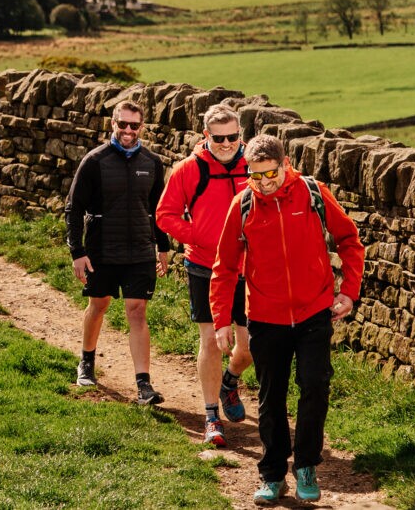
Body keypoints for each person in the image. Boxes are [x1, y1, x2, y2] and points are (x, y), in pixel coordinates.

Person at [210, 134, 364, 504]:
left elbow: (349, 240)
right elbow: (225, 266)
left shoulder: (312, 194)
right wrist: (220, 320)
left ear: (286, 164)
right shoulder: (242, 205)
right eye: (256, 175)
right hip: (265, 316)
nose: (264, 183)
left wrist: (348, 290)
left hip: (314, 312)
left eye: (271, 174)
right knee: (271, 397)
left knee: (314, 386)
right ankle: (272, 474)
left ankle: (307, 466)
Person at [156, 104, 253, 448]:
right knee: (211, 340)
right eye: (219, 138)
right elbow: (164, 215)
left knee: (249, 346)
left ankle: (231, 381)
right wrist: (199, 236)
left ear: (240, 134)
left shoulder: (254, 165)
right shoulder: (188, 170)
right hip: (204, 266)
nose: (227, 144)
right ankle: (212, 416)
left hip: (248, 268)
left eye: (233, 137)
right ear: (205, 136)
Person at [65, 100, 171, 405]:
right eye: (122, 124)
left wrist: (162, 248)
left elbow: (157, 210)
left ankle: (143, 385)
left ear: (142, 127)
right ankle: (86, 361)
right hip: (101, 250)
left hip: (139, 250)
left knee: (137, 312)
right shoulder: (94, 161)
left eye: (134, 125)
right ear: (112, 124)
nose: (128, 130)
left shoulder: (152, 162)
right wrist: (77, 252)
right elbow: (74, 209)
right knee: (99, 305)